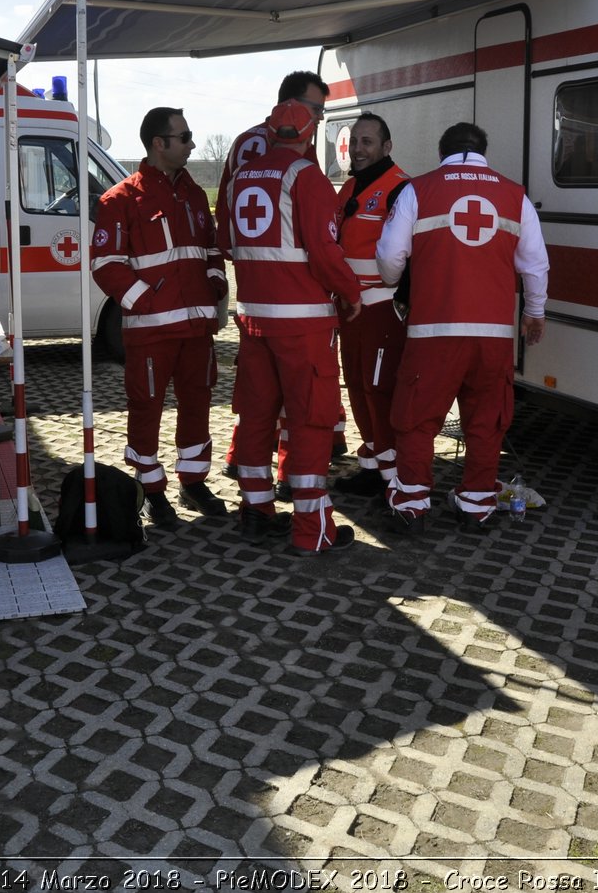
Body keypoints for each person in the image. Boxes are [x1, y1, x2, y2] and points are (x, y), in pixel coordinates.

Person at [376, 122, 549, 534]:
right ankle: (476, 506)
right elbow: (536, 263)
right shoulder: (514, 195)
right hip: (493, 337)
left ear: (443, 152)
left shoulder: (419, 190)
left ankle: (412, 505)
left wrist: (396, 280)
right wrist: (534, 312)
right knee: (487, 421)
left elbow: (389, 256)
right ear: (483, 151)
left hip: (433, 333)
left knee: (417, 419)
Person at [218, 99, 362, 555]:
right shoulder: (307, 177)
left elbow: (225, 240)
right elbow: (324, 252)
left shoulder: (241, 177)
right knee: (311, 420)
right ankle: (311, 529)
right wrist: (351, 293)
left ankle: (256, 511)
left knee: (257, 416)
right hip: (302, 325)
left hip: (253, 319)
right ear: (309, 134)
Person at [90, 107, 231, 528]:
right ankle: (150, 488)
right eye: (184, 136)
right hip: (151, 332)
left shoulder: (191, 192)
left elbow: (209, 247)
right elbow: (106, 264)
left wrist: (215, 280)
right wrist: (147, 302)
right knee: (146, 407)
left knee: (198, 402)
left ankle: (194, 479)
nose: (191, 144)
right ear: (159, 143)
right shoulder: (120, 199)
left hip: (196, 329)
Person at [332, 113, 410, 500]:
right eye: (355, 142)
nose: (359, 150)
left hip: (381, 309)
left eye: (368, 142)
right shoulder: (348, 188)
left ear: (386, 147)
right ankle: (372, 465)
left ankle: (395, 479)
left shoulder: (401, 189)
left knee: (380, 390)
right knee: (359, 389)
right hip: (350, 308)